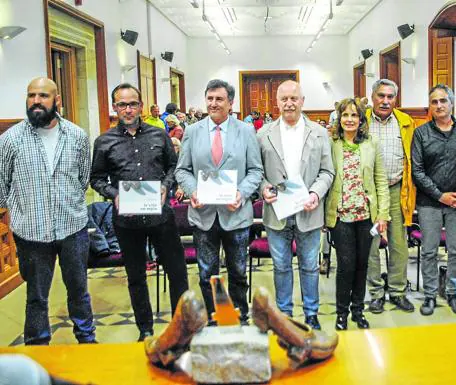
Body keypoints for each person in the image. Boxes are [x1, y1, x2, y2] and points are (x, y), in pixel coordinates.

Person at [0, 77, 96, 345]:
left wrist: (66, 203)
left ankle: (87, 340)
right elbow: (1, 184)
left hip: (72, 229)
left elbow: (82, 180)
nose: (36, 101)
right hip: (30, 232)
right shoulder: (10, 140)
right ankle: (37, 345)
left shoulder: (77, 136)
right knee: (36, 295)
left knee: (79, 290)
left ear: (58, 101)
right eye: (31, 96)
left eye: (43, 96)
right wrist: (23, 210)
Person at [91, 83, 189, 342]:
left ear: (141, 106)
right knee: (136, 277)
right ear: (115, 108)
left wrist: (168, 186)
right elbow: (97, 179)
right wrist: (115, 195)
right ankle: (145, 329)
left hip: (161, 218)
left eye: (132, 103)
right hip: (127, 221)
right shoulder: (104, 142)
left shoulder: (159, 136)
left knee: (177, 272)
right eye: (122, 104)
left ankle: (181, 325)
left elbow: (173, 167)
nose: (128, 109)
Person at [175, 79, 263, 325]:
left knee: (238, 271)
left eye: (219, 99)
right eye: (210, 99)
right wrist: (192, 191)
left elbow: (255, 170)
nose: (213, 104)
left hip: (236, 213)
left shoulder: (245, 131)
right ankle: (214, 315)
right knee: (206, 272)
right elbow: (182, 170)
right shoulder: (192, 131)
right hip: (203, 215)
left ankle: (240, 316)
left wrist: (242, 193)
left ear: (231, 102)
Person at [258, 80, 334, 330]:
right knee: (280, 267)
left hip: (308, 210)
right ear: (277, 102)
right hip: (276, 211)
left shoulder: (320, 132)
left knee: (310, 266)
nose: (289, 103)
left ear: (302, 101)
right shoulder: (263, 134)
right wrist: (263, 187)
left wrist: (315, 193)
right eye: (284, 99)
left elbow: (327, 172)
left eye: (294, 98)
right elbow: (256, 171)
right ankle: (284, 316)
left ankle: (311, 313)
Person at [325, 98, 390, 330]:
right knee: (345, 265)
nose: (350, 120)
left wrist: (383, 215)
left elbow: (381, 182)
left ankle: (358, 311)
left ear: (361, 120)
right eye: (345, 115)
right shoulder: (331, 144)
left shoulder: (371, 144)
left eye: (355, 116)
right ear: (339, 119)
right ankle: (341, 313)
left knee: (363, 264)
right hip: (340, 216)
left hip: (366, 216)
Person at [412, 84, 456, 316]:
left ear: (452, 103)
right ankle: (429, 295)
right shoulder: (421, 133)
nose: (439, 105)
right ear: (430, 106)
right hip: (429, 203)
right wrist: (440, 195)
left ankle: (453, 292)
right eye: (434, 102)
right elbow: (417, 172)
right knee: (429, 251)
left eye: (443, 101)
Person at [365, 79, 417, 314]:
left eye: (390, 97)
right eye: (381, 96)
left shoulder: (405, 123)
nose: (385, 101)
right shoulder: (362, 120)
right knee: (370, 244)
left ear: (396, 99)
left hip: (397, 189)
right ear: (372, 96)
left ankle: (397, 291)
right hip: (369, 193)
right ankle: (375, 293)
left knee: (399, 243)